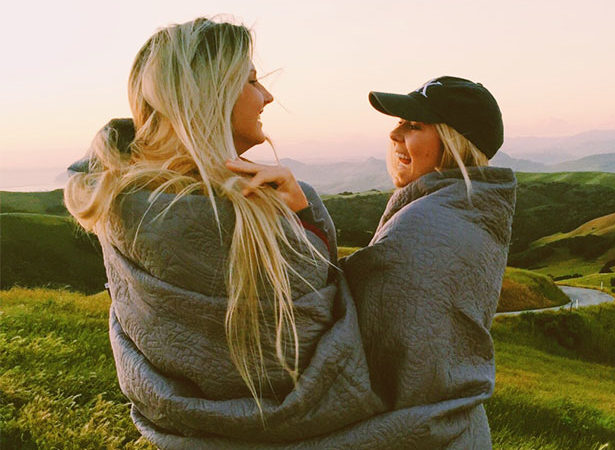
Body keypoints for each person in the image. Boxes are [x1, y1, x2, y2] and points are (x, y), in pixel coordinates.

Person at [64, 18, 386, 448]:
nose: (267, 96)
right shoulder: (252, 211)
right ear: (210, 96)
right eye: (252, 81)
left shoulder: (118, 202)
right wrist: (303, 214)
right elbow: (314, 331)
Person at [342, 76, 517, 447]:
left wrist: (306, 219)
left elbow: (350, 336)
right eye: (399, 122)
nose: (394, 134)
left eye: (413, 125)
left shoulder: (424, 225)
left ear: (452, 143)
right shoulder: (469, 211)